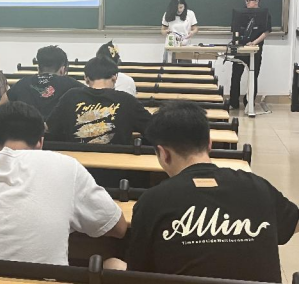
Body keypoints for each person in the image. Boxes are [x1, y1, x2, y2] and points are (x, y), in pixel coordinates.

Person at [124, 101, 299, 283]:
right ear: (209, 143)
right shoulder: (258, 186)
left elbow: (138, 273)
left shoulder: (151, 202)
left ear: (163, 153)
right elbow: (293, 223)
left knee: (115, 264)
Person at [0, 101, 127, 266]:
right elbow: (118, 228)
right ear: (40, 143)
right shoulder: (66, 166)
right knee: (113, 264)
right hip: (48, 278)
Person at [47, 57, 151, 145]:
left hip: (77, 160)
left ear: (86, 79)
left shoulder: (70, 96)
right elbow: (152, 129)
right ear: (114, 77)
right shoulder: (127, 100)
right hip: (116, 161)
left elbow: (51, 127)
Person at [2, 46, 83, 119]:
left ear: (38, 69)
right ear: (62, 70)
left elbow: (3, 103)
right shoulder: (72, 84)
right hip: (60, 130)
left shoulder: (22, 83)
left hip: (28, 129)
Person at [230, 0, 272, 109]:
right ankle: (233, 102)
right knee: (236, 75)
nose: (247, 2)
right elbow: (235, 28)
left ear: (257, 1)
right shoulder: (241, 13)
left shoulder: (264, 14)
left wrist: (254, 43)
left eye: (249, 0)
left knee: (253, 76)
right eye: (246, 0)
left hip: (255, 49)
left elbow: (266, 31)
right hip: (241, 49)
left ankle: (249, 102)